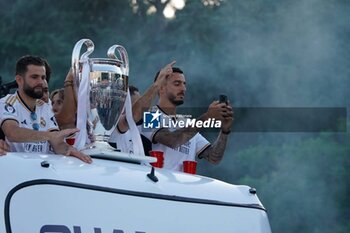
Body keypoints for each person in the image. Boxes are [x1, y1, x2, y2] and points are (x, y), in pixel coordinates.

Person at [0, 55, 92, 163]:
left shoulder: (45, 108)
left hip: (43, 171)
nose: (41, 82)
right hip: (20, 172)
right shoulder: (7, 102)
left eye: (43, 77)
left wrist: (69, 150)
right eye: (34, 77)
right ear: (19, 80)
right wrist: (50, 136)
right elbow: (13, 133)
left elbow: (57, 143)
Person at [141, 64, 234, 171]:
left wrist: (225, 131)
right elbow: (172, 141)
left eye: (184, 84)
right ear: (161, 88)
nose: (183, 88)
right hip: (158, 184)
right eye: (177, 84)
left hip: (183, 186)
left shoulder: (187, 123)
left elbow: (213, 158)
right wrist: (207, 117)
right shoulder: (150, 116)